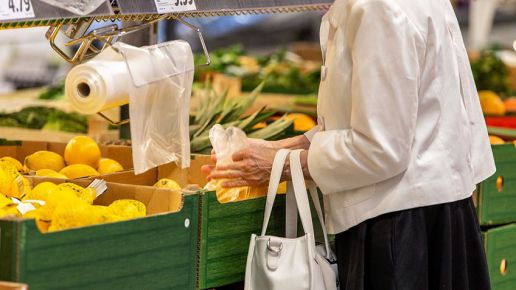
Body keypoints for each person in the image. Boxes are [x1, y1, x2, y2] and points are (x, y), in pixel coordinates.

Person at [202, 0, 496, 289]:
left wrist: (285, 165)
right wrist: (279, 150)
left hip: (401, 233)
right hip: (431, 217)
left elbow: (379, 149)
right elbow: (385, 117)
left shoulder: (379, 8)